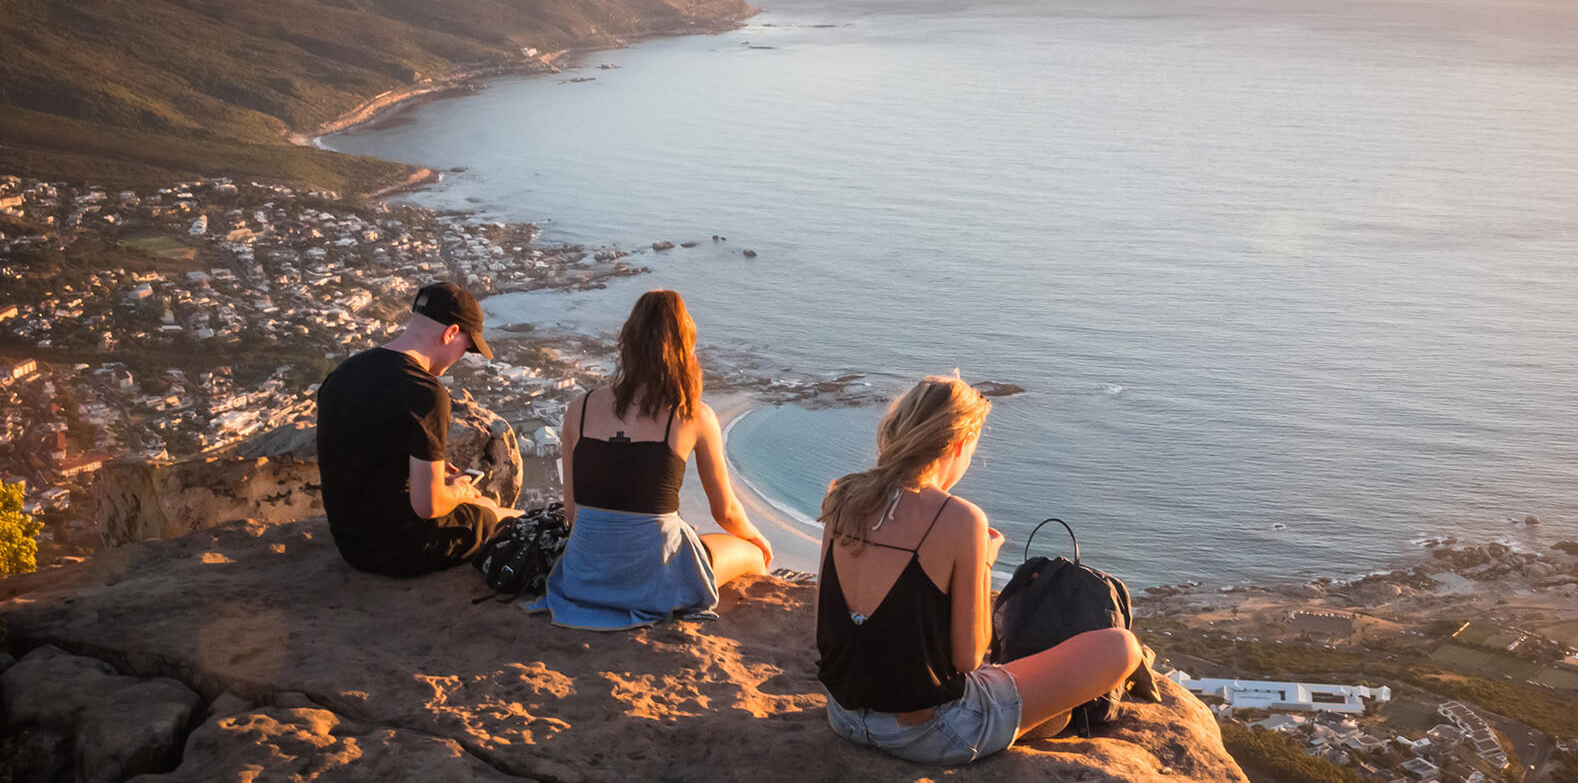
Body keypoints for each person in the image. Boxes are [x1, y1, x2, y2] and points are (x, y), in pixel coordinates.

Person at [815, 375, 1142, 766]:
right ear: (959, 443)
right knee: (1121, 647)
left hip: (844, 716)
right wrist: (982, 561)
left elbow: (825, 621)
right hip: (928, 733)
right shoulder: (958, 518)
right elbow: (969, 658)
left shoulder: (842, 497)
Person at [528, 289, 772, 629]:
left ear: (627, 342)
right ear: (685, 347)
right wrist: (757, 537)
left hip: (583, 578)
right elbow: (726, 512)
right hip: (656, 584)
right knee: (754, 556)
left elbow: (572, 512)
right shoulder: (693, 416)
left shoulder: (579, 410)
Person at [316, 281, 519, 577]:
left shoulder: (344, 373)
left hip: (350, 544)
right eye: (467, 346)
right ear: (451, 333)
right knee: (502, 514)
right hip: (402, 549)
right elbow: (429, 507)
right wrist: (460, 491)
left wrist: (422, 470)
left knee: (478, 503)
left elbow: (366, 456)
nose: (463, 356)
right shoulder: (425, 393)